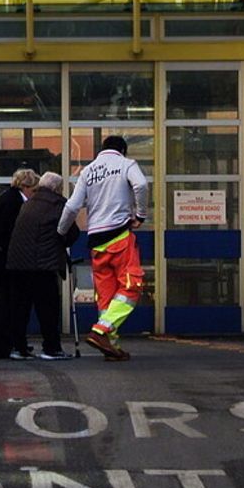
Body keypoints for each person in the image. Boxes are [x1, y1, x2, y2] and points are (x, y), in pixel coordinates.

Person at [57, 135, 147, 361]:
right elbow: (141, 184)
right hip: (119, 237)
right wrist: (140, 215)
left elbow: (72, 206)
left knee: (106, 298)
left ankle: (111, 347)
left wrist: (60, 232)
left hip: (96, 241)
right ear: (123, 150)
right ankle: (101, 331)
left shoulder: (88, 172)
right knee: (130, 287)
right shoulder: (126, 165)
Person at [5, 171, 71, 360]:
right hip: (42, 265)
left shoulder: (28, 203)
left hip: (18, 264)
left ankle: (19, 348)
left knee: (21, 308)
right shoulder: (57, 204)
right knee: (48, 308)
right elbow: (69, 231)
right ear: (57, 188)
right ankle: (51, 348)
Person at [0, 168, 39, 359]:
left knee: (6, 302)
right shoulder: (14, 202)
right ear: (26, 186)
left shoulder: (8, 198)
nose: (34, 194)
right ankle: (3, 347)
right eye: (34, 189)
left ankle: (7, 345)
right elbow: (9, 234)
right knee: (7, 303)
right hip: (3, 261)